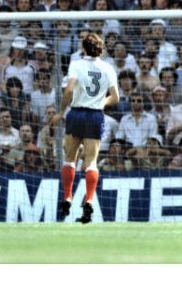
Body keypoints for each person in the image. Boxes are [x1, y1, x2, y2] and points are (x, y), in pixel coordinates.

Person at [51, 33, 119, 223]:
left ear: (83, 48)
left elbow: (69, 90)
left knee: (69, 159)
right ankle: (89, 200)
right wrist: (99, 103)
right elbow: (115, 97)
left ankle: (67, 196)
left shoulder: (76, 64)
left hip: (76, 113)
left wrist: (61, 111)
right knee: (91, 162)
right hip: (95, 115)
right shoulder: (107, 68)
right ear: (101, 49)